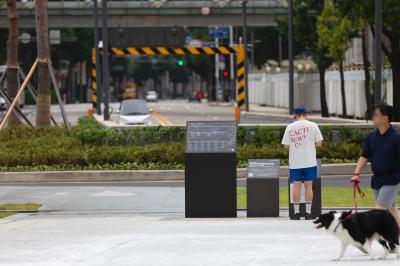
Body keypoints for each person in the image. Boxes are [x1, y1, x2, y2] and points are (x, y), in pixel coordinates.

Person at [351, 104, 400, 227]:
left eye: (376, 115)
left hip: (392, 180)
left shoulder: (396, 138)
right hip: (377, 180)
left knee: (379, 212)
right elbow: (364, 157)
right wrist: (356, 173)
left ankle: (368, 241)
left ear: (385, 118)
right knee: (391, 208)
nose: (373, 117)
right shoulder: (371, 137)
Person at [282, 106, 323, 220]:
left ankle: (296, 213)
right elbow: (319, 143)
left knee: (296, 186)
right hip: (309, 161)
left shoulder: (289, 127)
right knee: (309, 186)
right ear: (305, 114)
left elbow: (285, 146)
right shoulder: (313, 126)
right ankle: (308, 213)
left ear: (295, 115)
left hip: (295, 162)